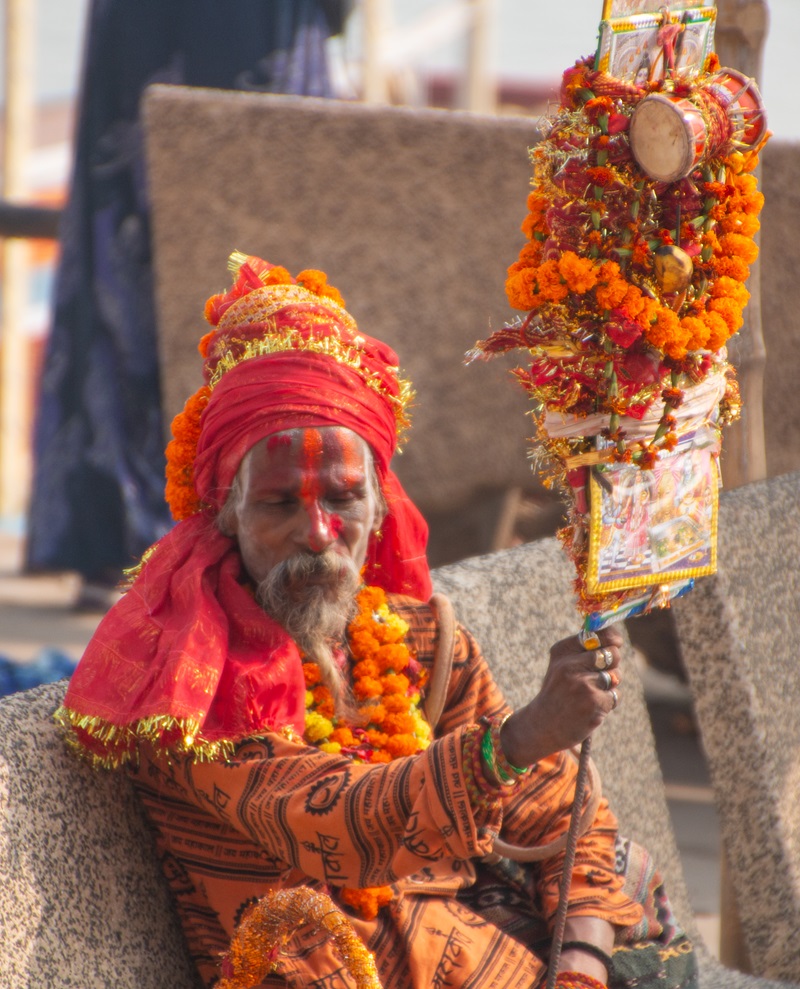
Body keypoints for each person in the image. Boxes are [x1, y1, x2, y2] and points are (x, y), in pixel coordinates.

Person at [58, 254, 697, 989]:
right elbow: (336, 825)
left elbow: (562, 818)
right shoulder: (187, 673)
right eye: (278, 504)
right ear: (227, 510)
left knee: (622, 880)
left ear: (379, 506)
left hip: (498, 960)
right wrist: (517, 740)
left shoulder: (423, 640)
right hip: (331, 971)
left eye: (342, 499)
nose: (321, 534)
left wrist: (580, 969)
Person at [27, 0, 351, 608]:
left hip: (203, 36)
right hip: (232, 33)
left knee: (233, 268)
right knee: (174, 259)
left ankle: (153, 544)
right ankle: (162, 542)